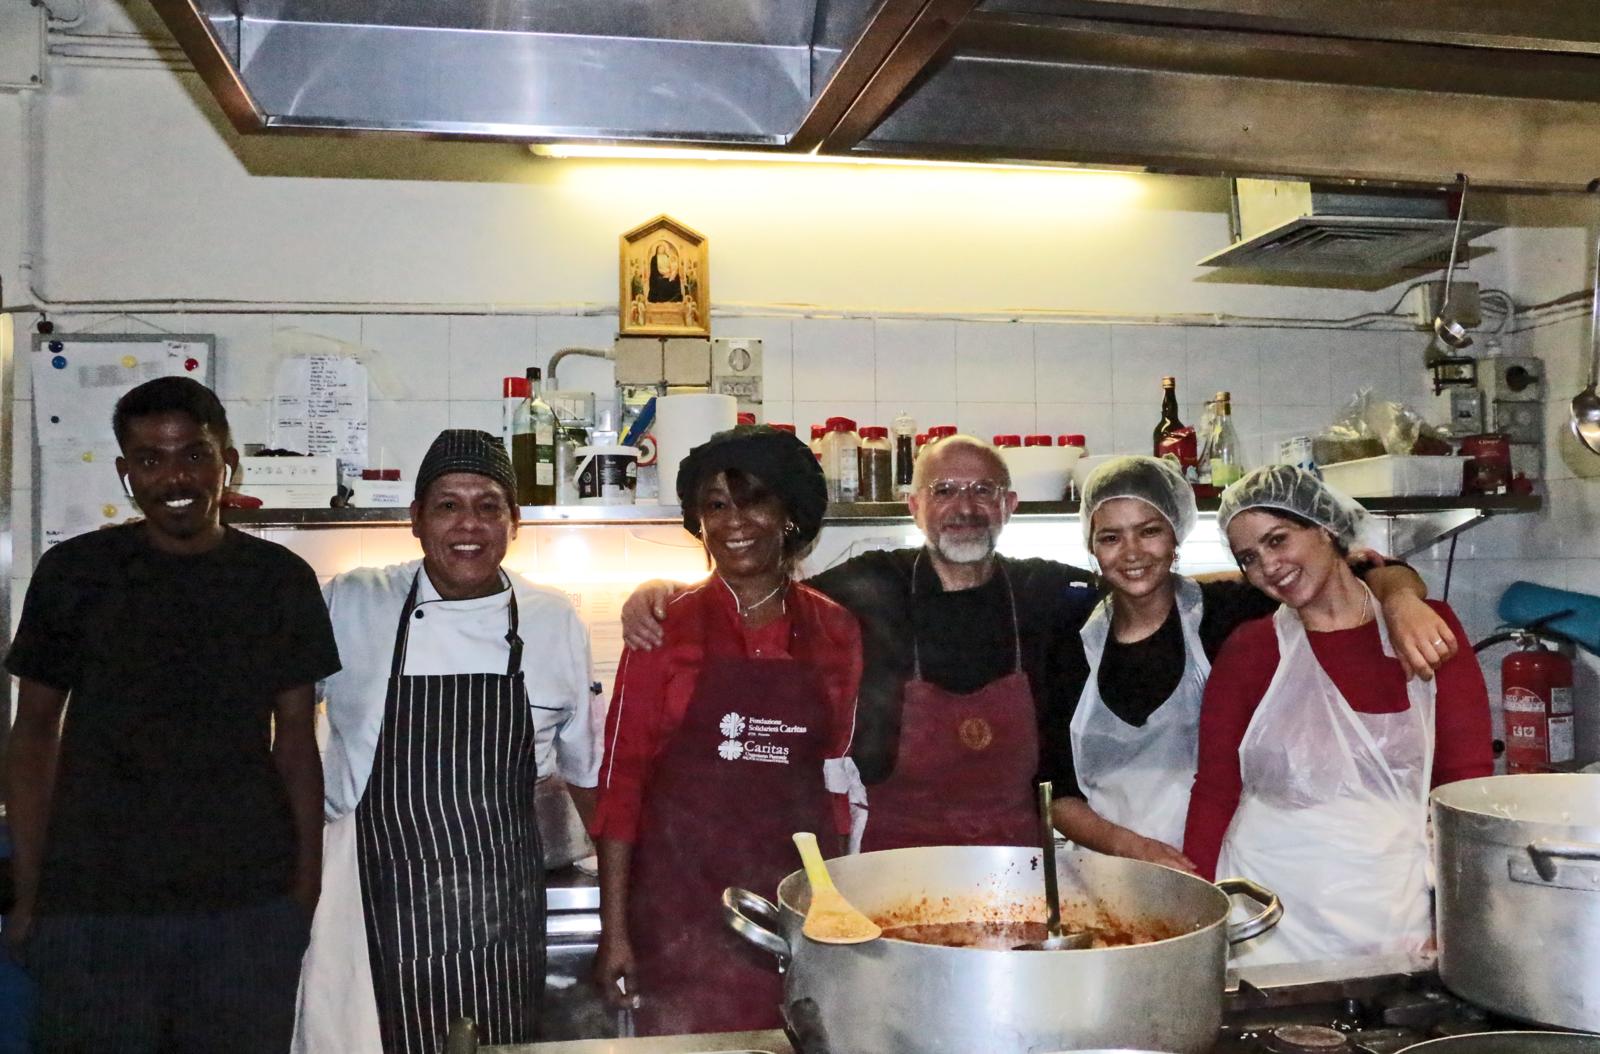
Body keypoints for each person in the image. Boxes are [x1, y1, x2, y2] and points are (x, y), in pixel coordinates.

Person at [4, 376, 338, 1054]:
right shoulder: (75, 575)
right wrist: (34, 893)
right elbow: (32, 735)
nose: (174, 476)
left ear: (227, 463)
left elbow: (296, 746)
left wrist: (300, 896)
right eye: (150, 460)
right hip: (94, 915)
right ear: (127, 474)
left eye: (193, 454)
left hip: (240, 914)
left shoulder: (277, 581)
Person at [624, 434, 1099, 852]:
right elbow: (766, 589)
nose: (965, 507)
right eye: (944, 491)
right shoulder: (871, 583)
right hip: (890, 864)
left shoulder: (1048, 592)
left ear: (1009, 504)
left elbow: (1137, 587)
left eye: (982, 491)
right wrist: (666, 593)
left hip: (1014, 864)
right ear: (914, 507)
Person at [295, 429, 598, 1054]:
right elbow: (284, 722)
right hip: (369, 900)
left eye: (489, 505)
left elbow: (586, 772)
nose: (470, 524)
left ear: (514, 521)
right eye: (447, 504)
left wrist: (623, 896)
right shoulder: (353, 601)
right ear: (415, 519)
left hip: (497, 914)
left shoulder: (552, 619)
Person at [1056, 456, 1452, 872]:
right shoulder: (1072, 642)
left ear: (1176, 536)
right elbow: (1056, 790)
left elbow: (1362, 568)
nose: (1132, 553)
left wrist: (1401, 599)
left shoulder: (1232, 612)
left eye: (1150, 531)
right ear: (1091, 546)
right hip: (1107, 869)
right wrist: (1132, 848)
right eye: (1111, 538)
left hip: (1221, 863)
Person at [591, 426, 861, 1036]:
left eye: (753, 500)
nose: (734, 520)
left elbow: (838, 780)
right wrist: (616, 933)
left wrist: (838, 908)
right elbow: (621, 785)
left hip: (793, 908)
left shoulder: (835, 629)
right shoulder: (664, 626)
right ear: (700, 523)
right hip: (677, 908)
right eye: (716, 504)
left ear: (788, 516)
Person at [1185, 465, 1494, 966]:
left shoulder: (1424, 627)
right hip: (1266, 923)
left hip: (1393, 917)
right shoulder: (1250, 649)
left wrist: (1459, 916)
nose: (1268, 566)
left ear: (1325, 527)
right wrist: (1191, 917)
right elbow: (1216, 790)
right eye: (1249, 557)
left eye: (1278, 539)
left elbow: (1466, 786)